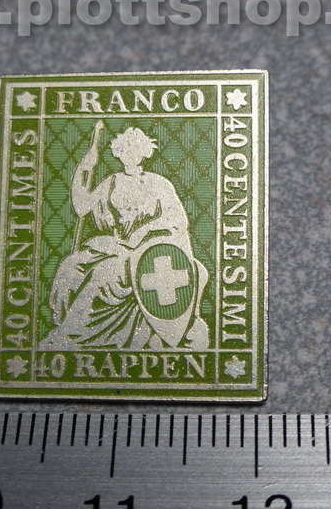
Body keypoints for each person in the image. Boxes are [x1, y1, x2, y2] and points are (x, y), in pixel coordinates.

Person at [40, 125, 209, 350]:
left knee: (103, 274)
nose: (130, 154)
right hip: (116, 246)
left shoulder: (159, 184)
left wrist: (145, 232)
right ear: (118, 153)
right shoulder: (111, 183)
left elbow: (177, 221)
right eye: (125, 149)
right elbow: (81, 207)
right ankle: (68, 327)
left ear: (144, 152)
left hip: (149, 251)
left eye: (135, 149)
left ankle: (72, 334)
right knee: (70, 266)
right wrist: (84, 167)